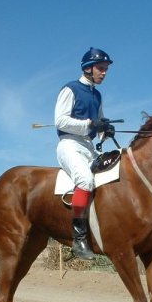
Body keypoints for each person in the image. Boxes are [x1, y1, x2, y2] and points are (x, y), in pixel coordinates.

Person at [54, 47, 115, 260]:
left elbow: (98, 125)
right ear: (88, 68)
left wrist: (105, 130)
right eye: (101, 68)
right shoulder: (70, 89)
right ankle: (78, 239)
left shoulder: (97, 95)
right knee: (85, 180)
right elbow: (60, 121)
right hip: (69, 144)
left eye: (106, 69)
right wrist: (91, 124)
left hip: (88, 146)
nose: (104, 72)